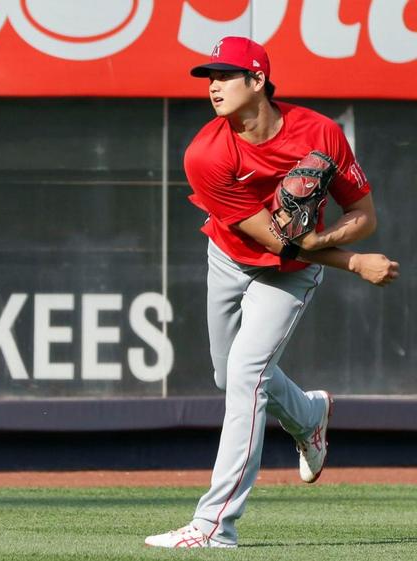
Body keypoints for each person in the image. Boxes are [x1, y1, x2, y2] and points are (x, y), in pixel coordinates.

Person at [144, 36, 400, 549]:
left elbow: (363, 217)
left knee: (245, 376)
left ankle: (215, 526)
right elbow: (277, 240)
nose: (213, 86)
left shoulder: (319, 132)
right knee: (228, 373)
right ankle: (308, 416)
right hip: (231, 257)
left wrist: (329, 240)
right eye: (208, 77)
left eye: (224, 75)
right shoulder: (206, 153)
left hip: (290, 275)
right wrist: (352, 262)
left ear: (257, 80)